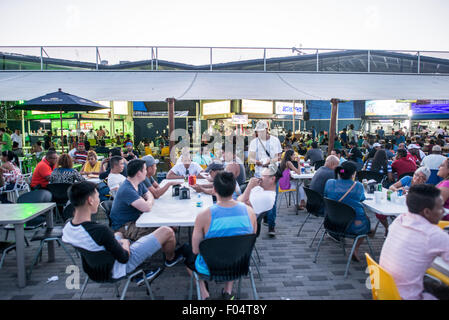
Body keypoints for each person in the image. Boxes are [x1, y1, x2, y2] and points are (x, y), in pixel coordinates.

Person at [62, 181, 183, 286]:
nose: (98, 200)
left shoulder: (68, 229)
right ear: (90, 200)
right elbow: (124, 258)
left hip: (95, 271)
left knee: (119, 234)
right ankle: (169, 259)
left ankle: (142, 270)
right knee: (166, 230)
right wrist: (125, 243)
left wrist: (118, 239)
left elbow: (98, 244)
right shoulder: (100, 231)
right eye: (98, 196)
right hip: (118, 268)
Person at [178, 172, 257, 300]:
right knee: (234, 247)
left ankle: (204, 294)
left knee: (188, 254)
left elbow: (196, 250)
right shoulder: (250, 212)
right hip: (238, 265)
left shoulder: (204, 216)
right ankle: (227, 291)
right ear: (233, 189)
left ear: (214, 189)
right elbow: (249, 241)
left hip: (209, 268)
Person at [379, 184, 449, 300]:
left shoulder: (399, 220)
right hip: (408, 296)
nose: (444, 212)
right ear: (426, 212)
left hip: (387, 291)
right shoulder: (433, 235)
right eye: (440, 207)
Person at [324, 161, 370, 261]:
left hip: (331, 222)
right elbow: (362, 199)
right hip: (353, 226)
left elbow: (326, 195)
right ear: (353, 174)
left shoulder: (330, 183)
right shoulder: (358, 186)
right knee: (366, 221)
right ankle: (355, 249)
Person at [109, 160, 164, 243]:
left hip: (137, 220)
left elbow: (150, 195)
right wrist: (148, 202)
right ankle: (168, 255)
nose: (146, 172)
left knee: (167, 227)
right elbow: (146, 208)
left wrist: (147, 201)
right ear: (139, 173)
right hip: (124, 226)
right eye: (145, 169)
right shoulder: (127, 189)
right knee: (164, 231)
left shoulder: (138, 183)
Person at [237, 164, 281, 237]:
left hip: (241, 226)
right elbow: (240, 199)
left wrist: (249, 186)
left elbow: (240, 203)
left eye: (263, 176)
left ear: (272, 179)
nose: (260, 178)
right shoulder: (261, 188)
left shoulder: (268, 197)